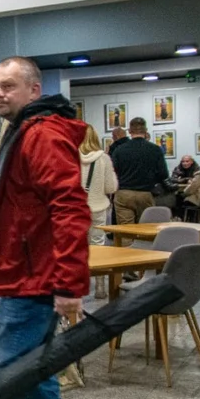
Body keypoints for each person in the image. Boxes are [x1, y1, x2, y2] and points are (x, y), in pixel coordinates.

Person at [0, 56, 99, 399]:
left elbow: (70, 207)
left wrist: (69, 281)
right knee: (33, 369)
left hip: (35, 276)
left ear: (34, 89)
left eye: (8, 85)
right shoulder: (25, 130)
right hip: (22, 271)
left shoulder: (42, 133)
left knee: (9, 367)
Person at [111, 117, 169, 241]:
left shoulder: (119, 150)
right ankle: (144, 251)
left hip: (124, 193)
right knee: (146, 231)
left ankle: (127, 251)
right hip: (146, 193)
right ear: (146, 131)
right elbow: (163, 174)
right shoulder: (155, 150)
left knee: (126, 231)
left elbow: (113, 172)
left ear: (129, 131)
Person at [79, 126, 118, 299]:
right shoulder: (104, 159)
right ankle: (100, 286)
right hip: (97, 208)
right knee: (98, 245)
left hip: (75, 210)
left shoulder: (68, 157)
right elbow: (111, 187)